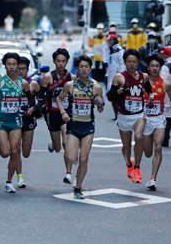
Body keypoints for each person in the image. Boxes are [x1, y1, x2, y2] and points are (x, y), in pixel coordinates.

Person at [57, 55, 104, 199]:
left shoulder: (96, 87)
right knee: (71, 157)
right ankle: (73, 170)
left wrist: (100, 103)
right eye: (81, 67)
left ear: (90, 68)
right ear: (76, 69)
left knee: (84, 158)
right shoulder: (70, 85)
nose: (84, 69)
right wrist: (63, 112)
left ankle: (78, 187)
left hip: (88, 126)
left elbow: (100, 109)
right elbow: (59, 98)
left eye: (86, 67)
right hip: (73, 124)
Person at [0, 52, 35, 193]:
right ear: (5, 65)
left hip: (16, 120)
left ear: (17, 66)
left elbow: (31, 99)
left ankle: (9, 181)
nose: (11, 67)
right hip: (2, 121)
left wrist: (27, 107)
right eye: (9, 64)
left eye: (14, 64)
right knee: (5, 153)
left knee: (15, 151)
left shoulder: (23, 83)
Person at [107, 48, 147, 183]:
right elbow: (109, 97)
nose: (131, 64)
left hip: (139, 114)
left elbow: (148, 89)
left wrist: (151, 97)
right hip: (124, 115)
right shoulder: (119, 77)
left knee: (139, 136)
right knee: (126, 147)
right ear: (124, 62)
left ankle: (137, 167)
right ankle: (129, 165)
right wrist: (118, 91)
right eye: (129, 62)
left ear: (138, 63)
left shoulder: (144, 76)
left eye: (134, 62)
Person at [38, 48, 76, 183]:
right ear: (54, 61)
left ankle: (68, 173)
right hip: (52, 114)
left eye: (63, 61)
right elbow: (40, 96)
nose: (60, 64)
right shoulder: (48, 77)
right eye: (58, 61)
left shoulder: (72, 78)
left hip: (66, 114)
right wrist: (52, 95)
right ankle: (53, 144)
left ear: (67, 62)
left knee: (67, 142)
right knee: (58, 147)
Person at [143, 54, 171, 191]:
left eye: (157, 66)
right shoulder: (143, 83)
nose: (155, 68)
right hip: (144, 120)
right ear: (148, 68)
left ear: (160, 68)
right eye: (152, 66)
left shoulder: (165, 84)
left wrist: (170, 105)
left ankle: (152, 179)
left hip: (159, 119)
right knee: (148, 153)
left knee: (158, 147)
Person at [15, 56, 40, 188]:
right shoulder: (11, 83)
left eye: (23, 69)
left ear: (28, 69)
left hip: (29, 119)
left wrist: (32, 108)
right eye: (18, 68)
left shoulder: (33, 84)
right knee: (16, 149)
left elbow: (41, 102)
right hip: (15, 119)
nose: (20, 72)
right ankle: (20, 177)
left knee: (26, 152)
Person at [105, 36, 125, 119]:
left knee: (118, 95)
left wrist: (120, 76)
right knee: (111, 95)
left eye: (109, 41)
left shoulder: (120, 51)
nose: (108, 43)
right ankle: (116, 114)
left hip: (117, 76)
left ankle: (120, 113)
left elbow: (122, 64)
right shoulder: (111, 51)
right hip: (110, 76)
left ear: (113, 41)